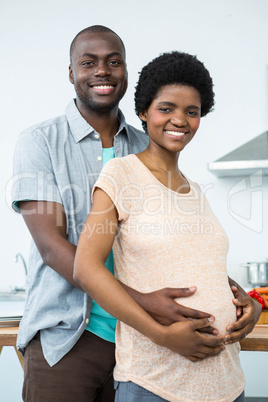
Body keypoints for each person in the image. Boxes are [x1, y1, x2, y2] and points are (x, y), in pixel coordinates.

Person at [11, 26, 260, 402]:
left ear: (127, 71)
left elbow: (177, 245)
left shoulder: (150, 145)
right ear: (71, 73)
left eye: (114, 62)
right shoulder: (40, 141)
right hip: (71, 334)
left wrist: (237, 296)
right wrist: (144, 302)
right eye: (88, 63)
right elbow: (52, 247)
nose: (103, 72)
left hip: (141, 342)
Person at [74, 51, 262, 402]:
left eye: (192, 112)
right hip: (156, 384)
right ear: (144, 112)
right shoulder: (121, 173)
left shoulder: (194, 189)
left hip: (225, 383)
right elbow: (86, 268)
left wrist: (251, 307)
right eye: (166, 108)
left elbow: (201, 269)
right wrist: (162, 335)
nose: (180, 120)